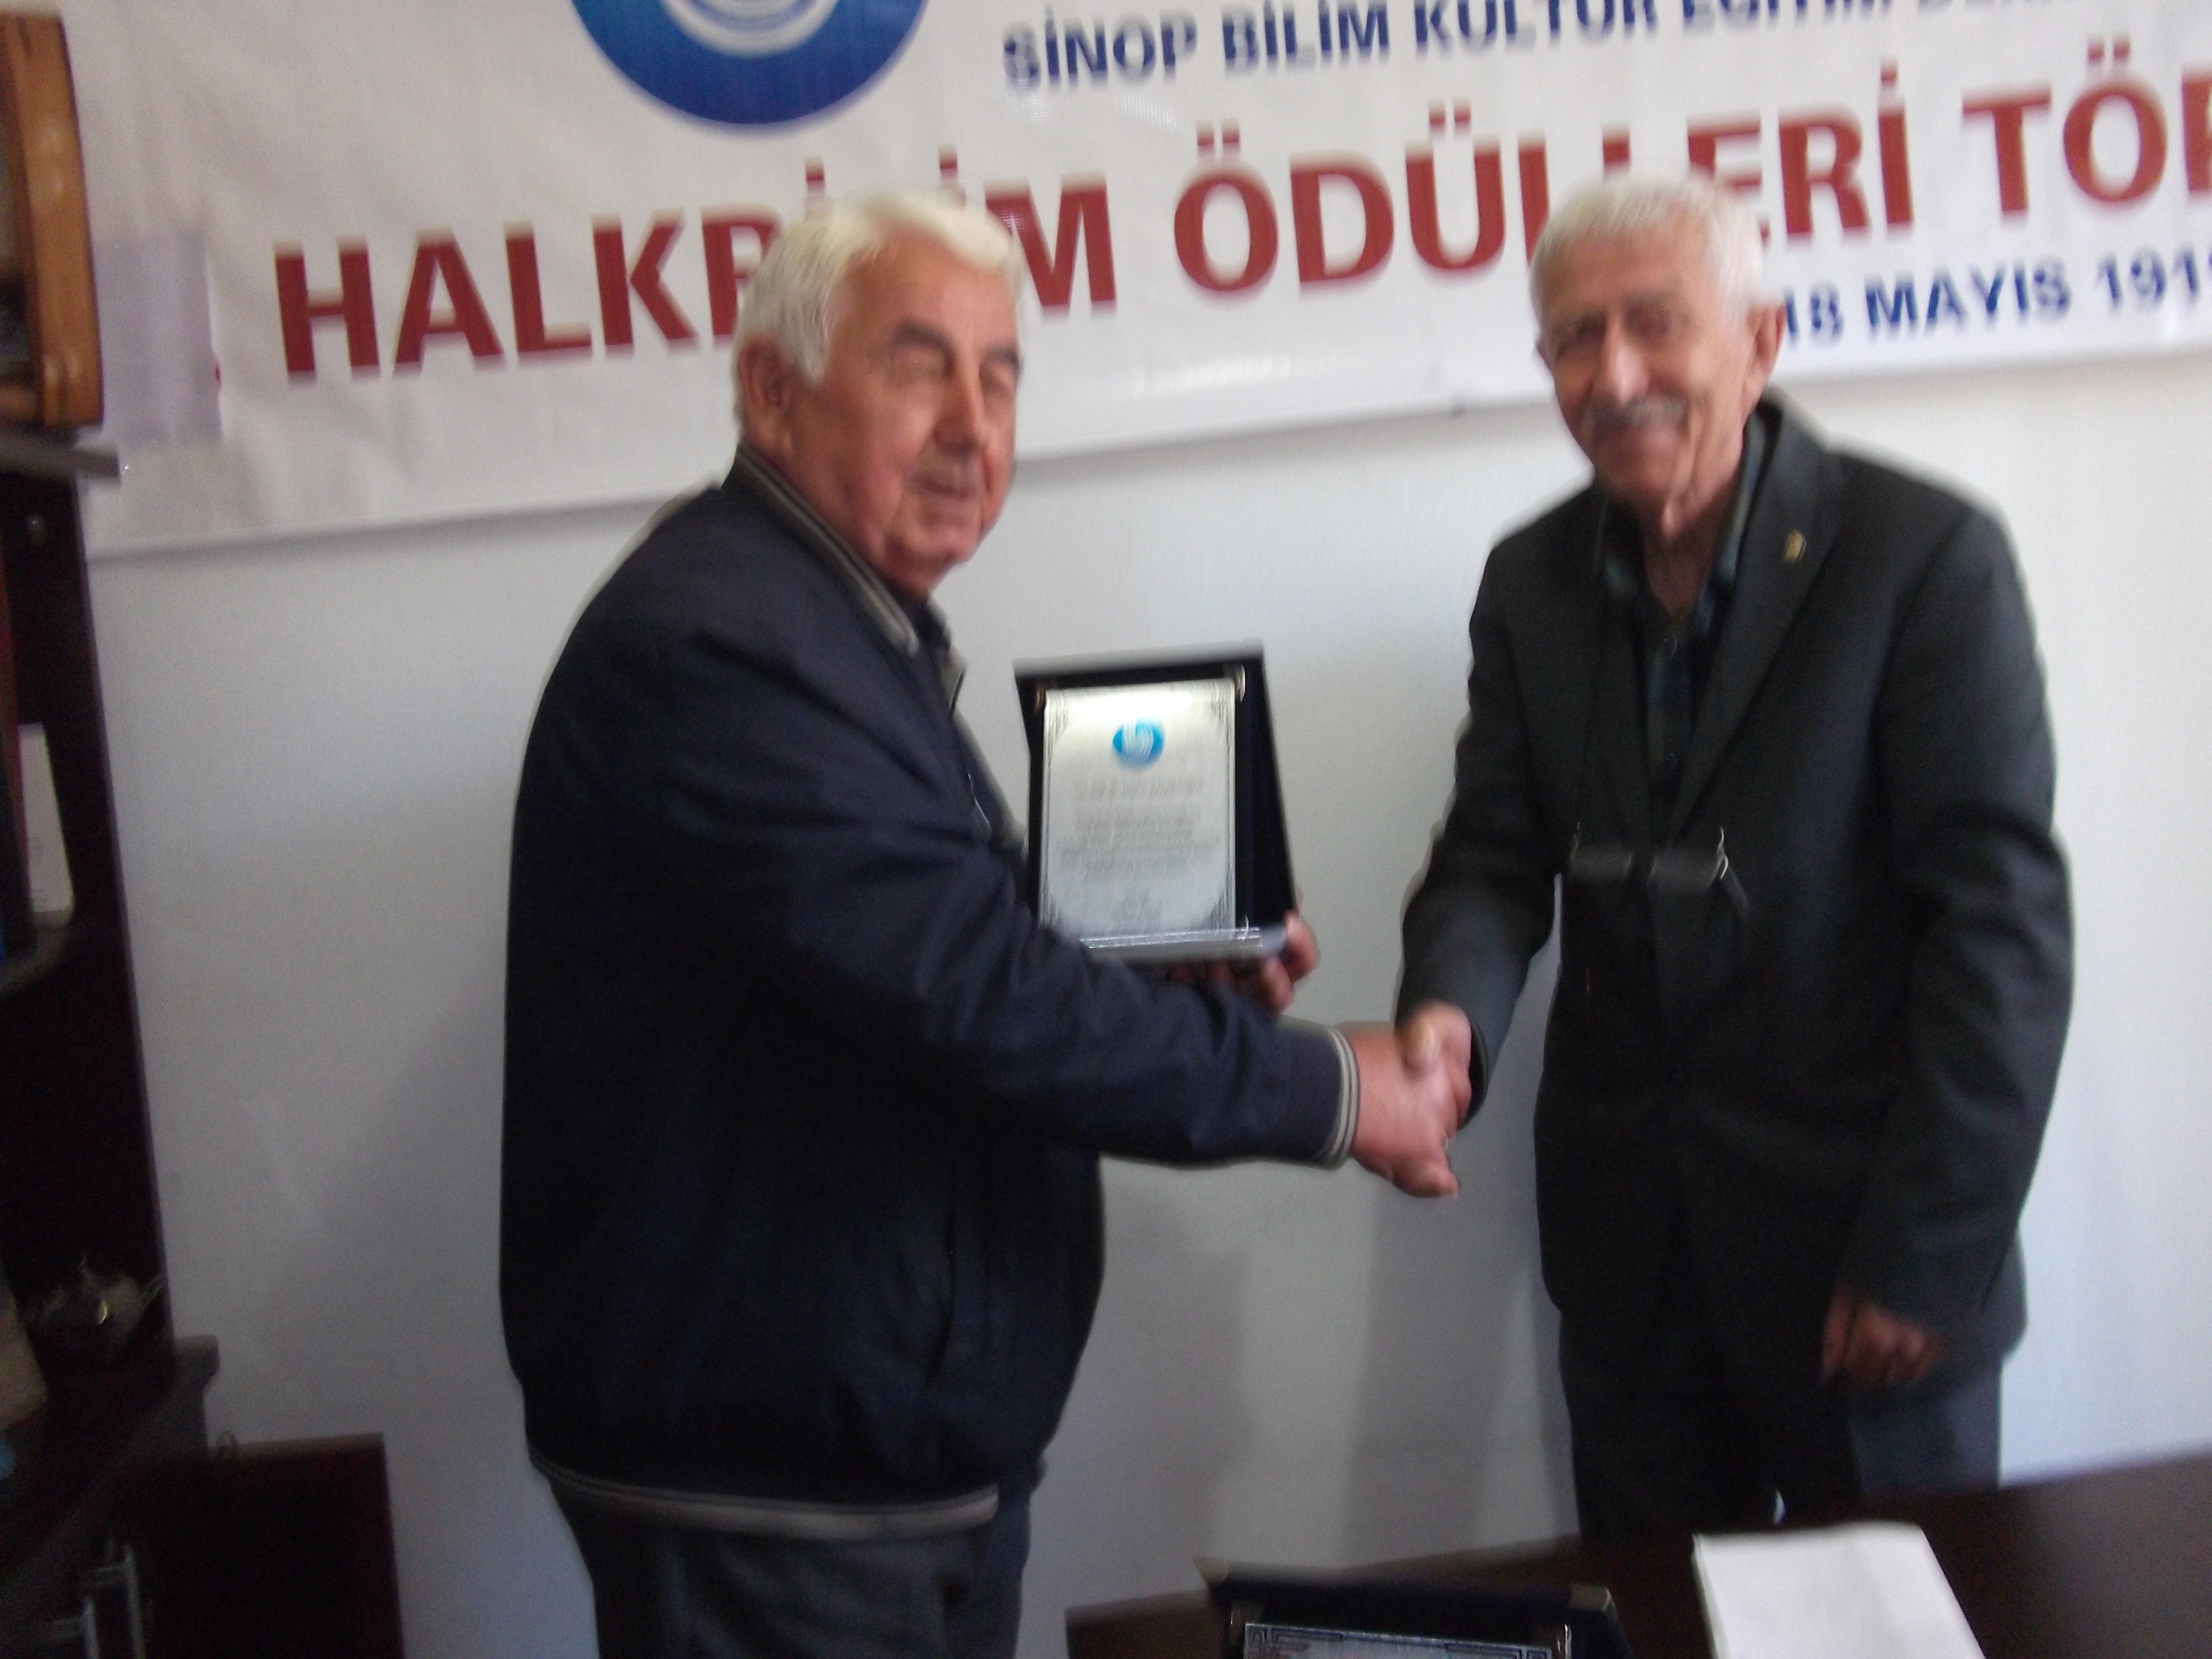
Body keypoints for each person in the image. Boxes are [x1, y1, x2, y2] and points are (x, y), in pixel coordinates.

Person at [500, 189, 1471, 1659]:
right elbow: (971, 991)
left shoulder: (833, 622)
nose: (973, 427)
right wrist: (1341, 1091)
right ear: (771, 391)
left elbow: (908, 951)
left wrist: (1148, 973)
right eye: (919, 368)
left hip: (869, 1465)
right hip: (782, 1502)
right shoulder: (720, 643)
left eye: (1001, 378)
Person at [1397, 172, 2072, 1542]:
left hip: (1863, 1269)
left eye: (1655, 323)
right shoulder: (1527, 581)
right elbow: (1490, 849)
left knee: (1891, 1626)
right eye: (1574, 338)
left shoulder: (1921, 558)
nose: (1614, 375)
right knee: (1659, 1625)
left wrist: (1924, 1257)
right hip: (1630, 1277)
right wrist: (1446, 1014)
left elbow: (1996, 935)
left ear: (1759, 341)